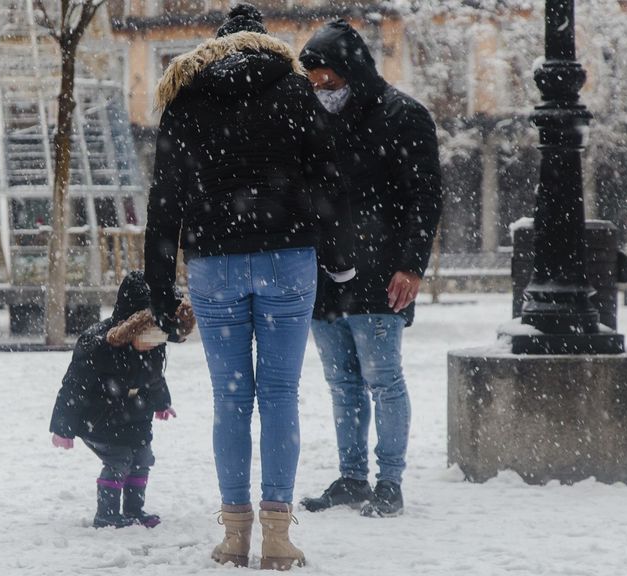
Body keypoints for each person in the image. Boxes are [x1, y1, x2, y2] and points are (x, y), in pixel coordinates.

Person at [143, 3, 354, 569]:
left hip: (215, 263)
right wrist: (340, 260)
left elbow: (164, 200)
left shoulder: (185, 96)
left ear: (216, 45)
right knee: (281, 394)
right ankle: (279, 537)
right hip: (288, 258)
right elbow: (326, 176)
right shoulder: (293, 90)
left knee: (231, 397)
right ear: (266, 42)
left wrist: (160, 287)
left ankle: (234, 533)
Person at [297, 20, 443, 518]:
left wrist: (410, 266)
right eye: (314, 80)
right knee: (342, 383)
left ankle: (390, 481)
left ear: (351, 70)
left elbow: (426, 197)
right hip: (322, 274)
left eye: (328, 79)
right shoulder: (310, 116)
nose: (321, 89)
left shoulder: (404, 116)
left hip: (381, 272)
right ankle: (353, 476)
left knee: (383, 380)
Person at [49, 271, 193, 529]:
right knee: (119, 460)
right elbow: (73, 386)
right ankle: (106, 514)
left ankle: (134, 509)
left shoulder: (154, 341)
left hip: (136, 414)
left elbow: (154, 376)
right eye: (149, 332)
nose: (155, 341)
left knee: (143, 458)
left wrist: (161, 403)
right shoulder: (98, 344)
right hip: (99, 416)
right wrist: (63, 427)